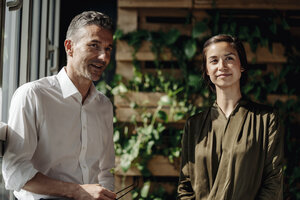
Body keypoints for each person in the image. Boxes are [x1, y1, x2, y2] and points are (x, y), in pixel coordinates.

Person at [2, 11, 117, 200]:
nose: (103, 57)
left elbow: (105, 171)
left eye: (108, 48)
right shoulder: (33, 95)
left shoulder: (103, 105)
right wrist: (77, 191)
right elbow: (15, 171)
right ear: (69, 47)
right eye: (94, 46)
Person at [177, 34, 283, 200]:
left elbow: (273, 181)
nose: (222, 66)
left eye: (229, 58)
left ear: (241, 65)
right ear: (206, 70)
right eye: (214, 61)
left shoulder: (266, 119)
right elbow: (185, 186)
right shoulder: (194, 125)